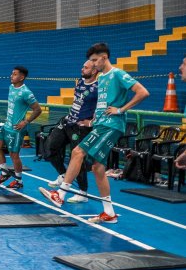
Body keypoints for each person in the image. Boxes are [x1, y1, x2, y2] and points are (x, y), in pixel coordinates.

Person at [40, 43, 149, 224]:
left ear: (104, 58)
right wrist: (92, 121)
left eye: (95, 60)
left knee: (78, 152)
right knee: (97, 168)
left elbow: (143, 92)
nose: (93, 63)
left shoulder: (117, 74)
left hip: (111, 125)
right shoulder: (102, 78)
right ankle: (109, 213)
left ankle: (60, 194)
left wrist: (120, 110)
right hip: (100, 125)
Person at [43, 60, 99, 203]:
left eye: (85, 67)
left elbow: (103, 109)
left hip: (81, 127)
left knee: (77, 158)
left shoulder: (98, 87)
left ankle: (83, 193)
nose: (82, 69)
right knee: (50, 147)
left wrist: (91, 122)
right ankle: (63, 174)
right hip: (68, 121)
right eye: (83, 66)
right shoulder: (80, 81)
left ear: (94, 71)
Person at [0, 66, 42, 190]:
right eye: (12, 73)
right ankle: (4, 173)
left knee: (14, 155)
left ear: (21, 77)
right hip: (6, 125)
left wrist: (25, 122)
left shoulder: (26, 92)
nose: (11, 76)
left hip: (16, 129)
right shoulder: (11, 87)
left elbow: (37, 109)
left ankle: (19, 181)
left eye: (14, 74)